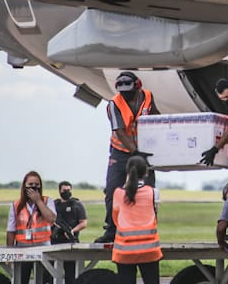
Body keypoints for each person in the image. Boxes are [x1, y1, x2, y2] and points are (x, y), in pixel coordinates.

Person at [96, 71, 160, 243]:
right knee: (112, 190)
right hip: (121, 151)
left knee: (148, 191)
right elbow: (119, 131)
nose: (125, 94)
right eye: (122, 91)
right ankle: (111, 230)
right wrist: (135, 152)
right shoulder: (114, 104)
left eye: (128, 90)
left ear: (137, 86)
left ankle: (149, 228)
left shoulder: (147, 96)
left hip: (142, 151)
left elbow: (155, 115)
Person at [112, 155, 162, 284]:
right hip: (149, 250)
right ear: (145, 172)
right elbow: (155, 213)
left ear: (127, 171)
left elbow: (115, 218)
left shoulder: (118, 193)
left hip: (124, 250)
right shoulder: (153, 192)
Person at [6, 171, 56, 284]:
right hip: (23, 248)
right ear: (24, 186)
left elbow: (51, 218)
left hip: (43, 247)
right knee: (21, 279)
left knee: (45, 279)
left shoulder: (47, 201)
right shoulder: (16, 205)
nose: (34, 187)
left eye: (37, 185)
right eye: (30, 185)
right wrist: (9, 252)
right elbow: (10, 230)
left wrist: (38, 201)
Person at [51, 181, 87, 284]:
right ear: (59, 191)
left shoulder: (76, 205)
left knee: (70, 274)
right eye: (64, 190)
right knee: (50, 274)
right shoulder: (54, 205)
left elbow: (83, 223)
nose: (66, 192)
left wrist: (72, 231)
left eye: (68, 190)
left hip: (70, 242)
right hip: (54, 242)